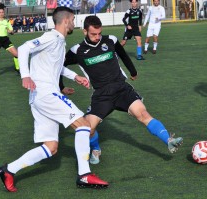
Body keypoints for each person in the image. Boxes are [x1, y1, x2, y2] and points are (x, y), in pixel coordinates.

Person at [0, 7, 108, 192]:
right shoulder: (52, 37)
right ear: (65, 21)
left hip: (39, 97)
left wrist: (75, 77)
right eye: (72, 19)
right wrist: (25, 75)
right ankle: (85, 174)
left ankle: (8, 170)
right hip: (46, 93)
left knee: (51, 147)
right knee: (83, 125)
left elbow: (55, 66)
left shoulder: (58, 41)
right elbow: (24, 49)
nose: (74, 22)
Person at [63, 15, 183, 166]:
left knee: (143, 114)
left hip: (122, 89)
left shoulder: (110, 40)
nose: (97, 37)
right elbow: (58, 66)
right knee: (86, 129)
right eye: (93, 34)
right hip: (102, 95)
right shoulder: (77, 50)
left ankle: (169, 140)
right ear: (84, 31)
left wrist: (133, 71)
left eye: (99, 33)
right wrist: (63, 85)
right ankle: (96, 149)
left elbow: (123, 54)